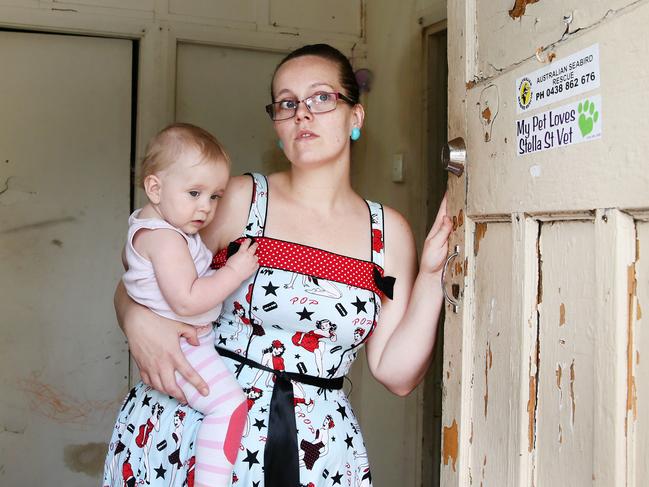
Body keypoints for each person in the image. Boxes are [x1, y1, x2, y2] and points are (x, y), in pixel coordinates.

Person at [103, 43, 452, 487]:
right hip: (193, 430)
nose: (302, 114)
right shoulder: (236, 199)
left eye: (322, 98)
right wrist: (137, 322)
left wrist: (431, 277)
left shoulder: (388, 232)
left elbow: (395, 373)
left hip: (318, 452)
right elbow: (138, 271)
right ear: (277, 126)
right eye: (287, 104)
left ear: (355, 117)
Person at [106, 123, 259, 487]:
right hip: (184, 348)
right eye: (194, 193)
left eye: (215, 197)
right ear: (155, 188)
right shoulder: (165, 240)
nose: (205, 208)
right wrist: (235, 271)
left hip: (184, 345)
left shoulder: (154, 227)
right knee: (228, 407)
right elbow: (188, 300)